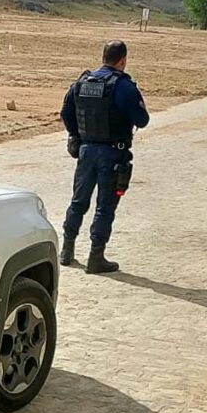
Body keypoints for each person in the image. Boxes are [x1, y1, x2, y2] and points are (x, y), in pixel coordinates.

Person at [60, 40, 150, 274]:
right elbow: (142, 120)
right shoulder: (124, 86)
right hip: (112, 153)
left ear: (103, 57)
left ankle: (66, 251)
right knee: (105, 206)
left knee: (78, 201)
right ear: (123, 60)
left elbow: (66, 112)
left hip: (86, 151)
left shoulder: (82, 82)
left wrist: (76, 135)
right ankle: (96, 257)